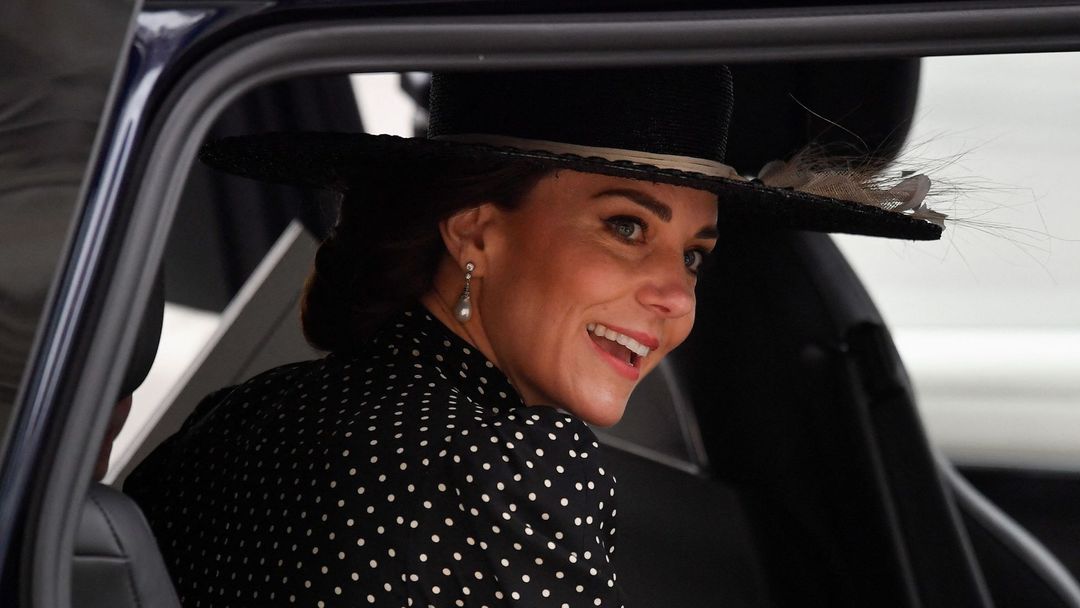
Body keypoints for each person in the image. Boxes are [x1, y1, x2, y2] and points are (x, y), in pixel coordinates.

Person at [125, 66, 945, 607]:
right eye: (626, 227)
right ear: (475, 232)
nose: (673, 296)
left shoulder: (233, 422)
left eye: (694, 258)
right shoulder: (508, 458)